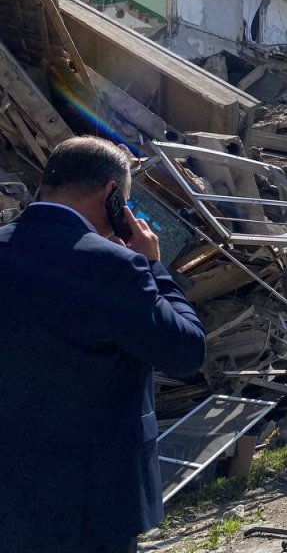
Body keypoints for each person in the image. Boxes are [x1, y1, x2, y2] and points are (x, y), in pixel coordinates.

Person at [0, 136, 207, 553]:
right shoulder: (116, 267)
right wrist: (153, 266)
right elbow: (185, 351)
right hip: (94, 500)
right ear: (112, 194)